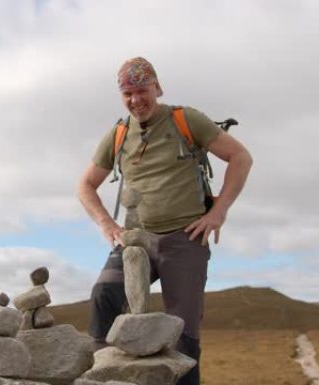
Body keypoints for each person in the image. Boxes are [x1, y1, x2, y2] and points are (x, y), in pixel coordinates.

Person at [78, 57, 252, 385]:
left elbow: (240, 157)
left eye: (142, 90)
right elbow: (85, 185)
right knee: (104, 296)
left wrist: (218, 212)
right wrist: (107, 224)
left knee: (184, 333)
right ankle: (98, 375)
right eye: (127, 93)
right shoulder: (118, 134)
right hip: (136, 240)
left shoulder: (186, 120)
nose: (135, 100)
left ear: (157, 87)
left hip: (185, 237)